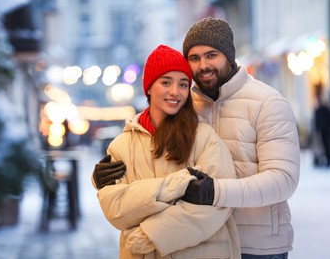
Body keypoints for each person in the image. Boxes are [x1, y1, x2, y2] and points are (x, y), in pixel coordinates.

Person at [93, 17, 300, 259]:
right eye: (194, 58)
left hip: (257, 246)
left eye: (211, 55)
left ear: (229, 56)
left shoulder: (267, 103)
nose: (203, 65)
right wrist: (105, 179)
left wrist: (215, 191)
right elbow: (150, 152)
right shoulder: (186, 103)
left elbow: (283, 179)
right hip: (202, 243)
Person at [92, 44, 240, 258]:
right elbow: (116, 209)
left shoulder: (203, 137)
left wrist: (151, 234)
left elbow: (217, 204)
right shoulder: (121, 145)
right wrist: (176, 185)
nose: (175, 92)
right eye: (166, 82)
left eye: (182, 84)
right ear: (149, 87)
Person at [313, 84, 330, 166]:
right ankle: (318, 161)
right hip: (320, 130)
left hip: (326, 130)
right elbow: (316, 121)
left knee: (326, 145)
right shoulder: (317, 110)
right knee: (319, 146)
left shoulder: (326, 110)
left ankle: (327, 160)